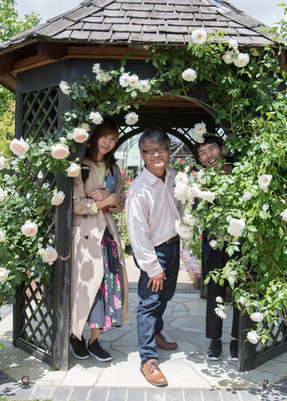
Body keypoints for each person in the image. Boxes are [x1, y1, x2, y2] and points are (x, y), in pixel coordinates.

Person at [126, 127, 183, 387]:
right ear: (142, 155)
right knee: (149, 303)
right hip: (154, 251)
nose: (156, 154)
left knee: (166, 296)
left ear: (169, 151)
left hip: (173, 246)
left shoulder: (173, 177)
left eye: (161, 149)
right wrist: (152, 267)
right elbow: (137, 233)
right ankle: (148, 359)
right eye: (150, 150)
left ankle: (156, 333)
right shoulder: (139, 189)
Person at [69, 118, 128, 362]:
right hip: (85, 235)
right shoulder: (79, 166)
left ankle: (94, 340)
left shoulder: (114, 169)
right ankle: (75, 336)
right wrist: (105, 200)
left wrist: (108, 197)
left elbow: (120, 202)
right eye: (105, 136)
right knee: (84, 286)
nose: (109, 142)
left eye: (113, 139)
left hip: (107, 236)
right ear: (94, 136)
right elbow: (75, 203)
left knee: (105, 287)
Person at [195, 135, 241, 361]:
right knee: (215, 291)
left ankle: (236, 339)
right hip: (216, 244)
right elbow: (197, 211)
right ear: (200, 160)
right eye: (202, 153)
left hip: (242, 243)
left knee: (242, 291)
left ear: (222, 148)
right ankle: (215, 340)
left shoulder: (239, 171)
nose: (208, 156)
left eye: (211, 149)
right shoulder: (203, 178)